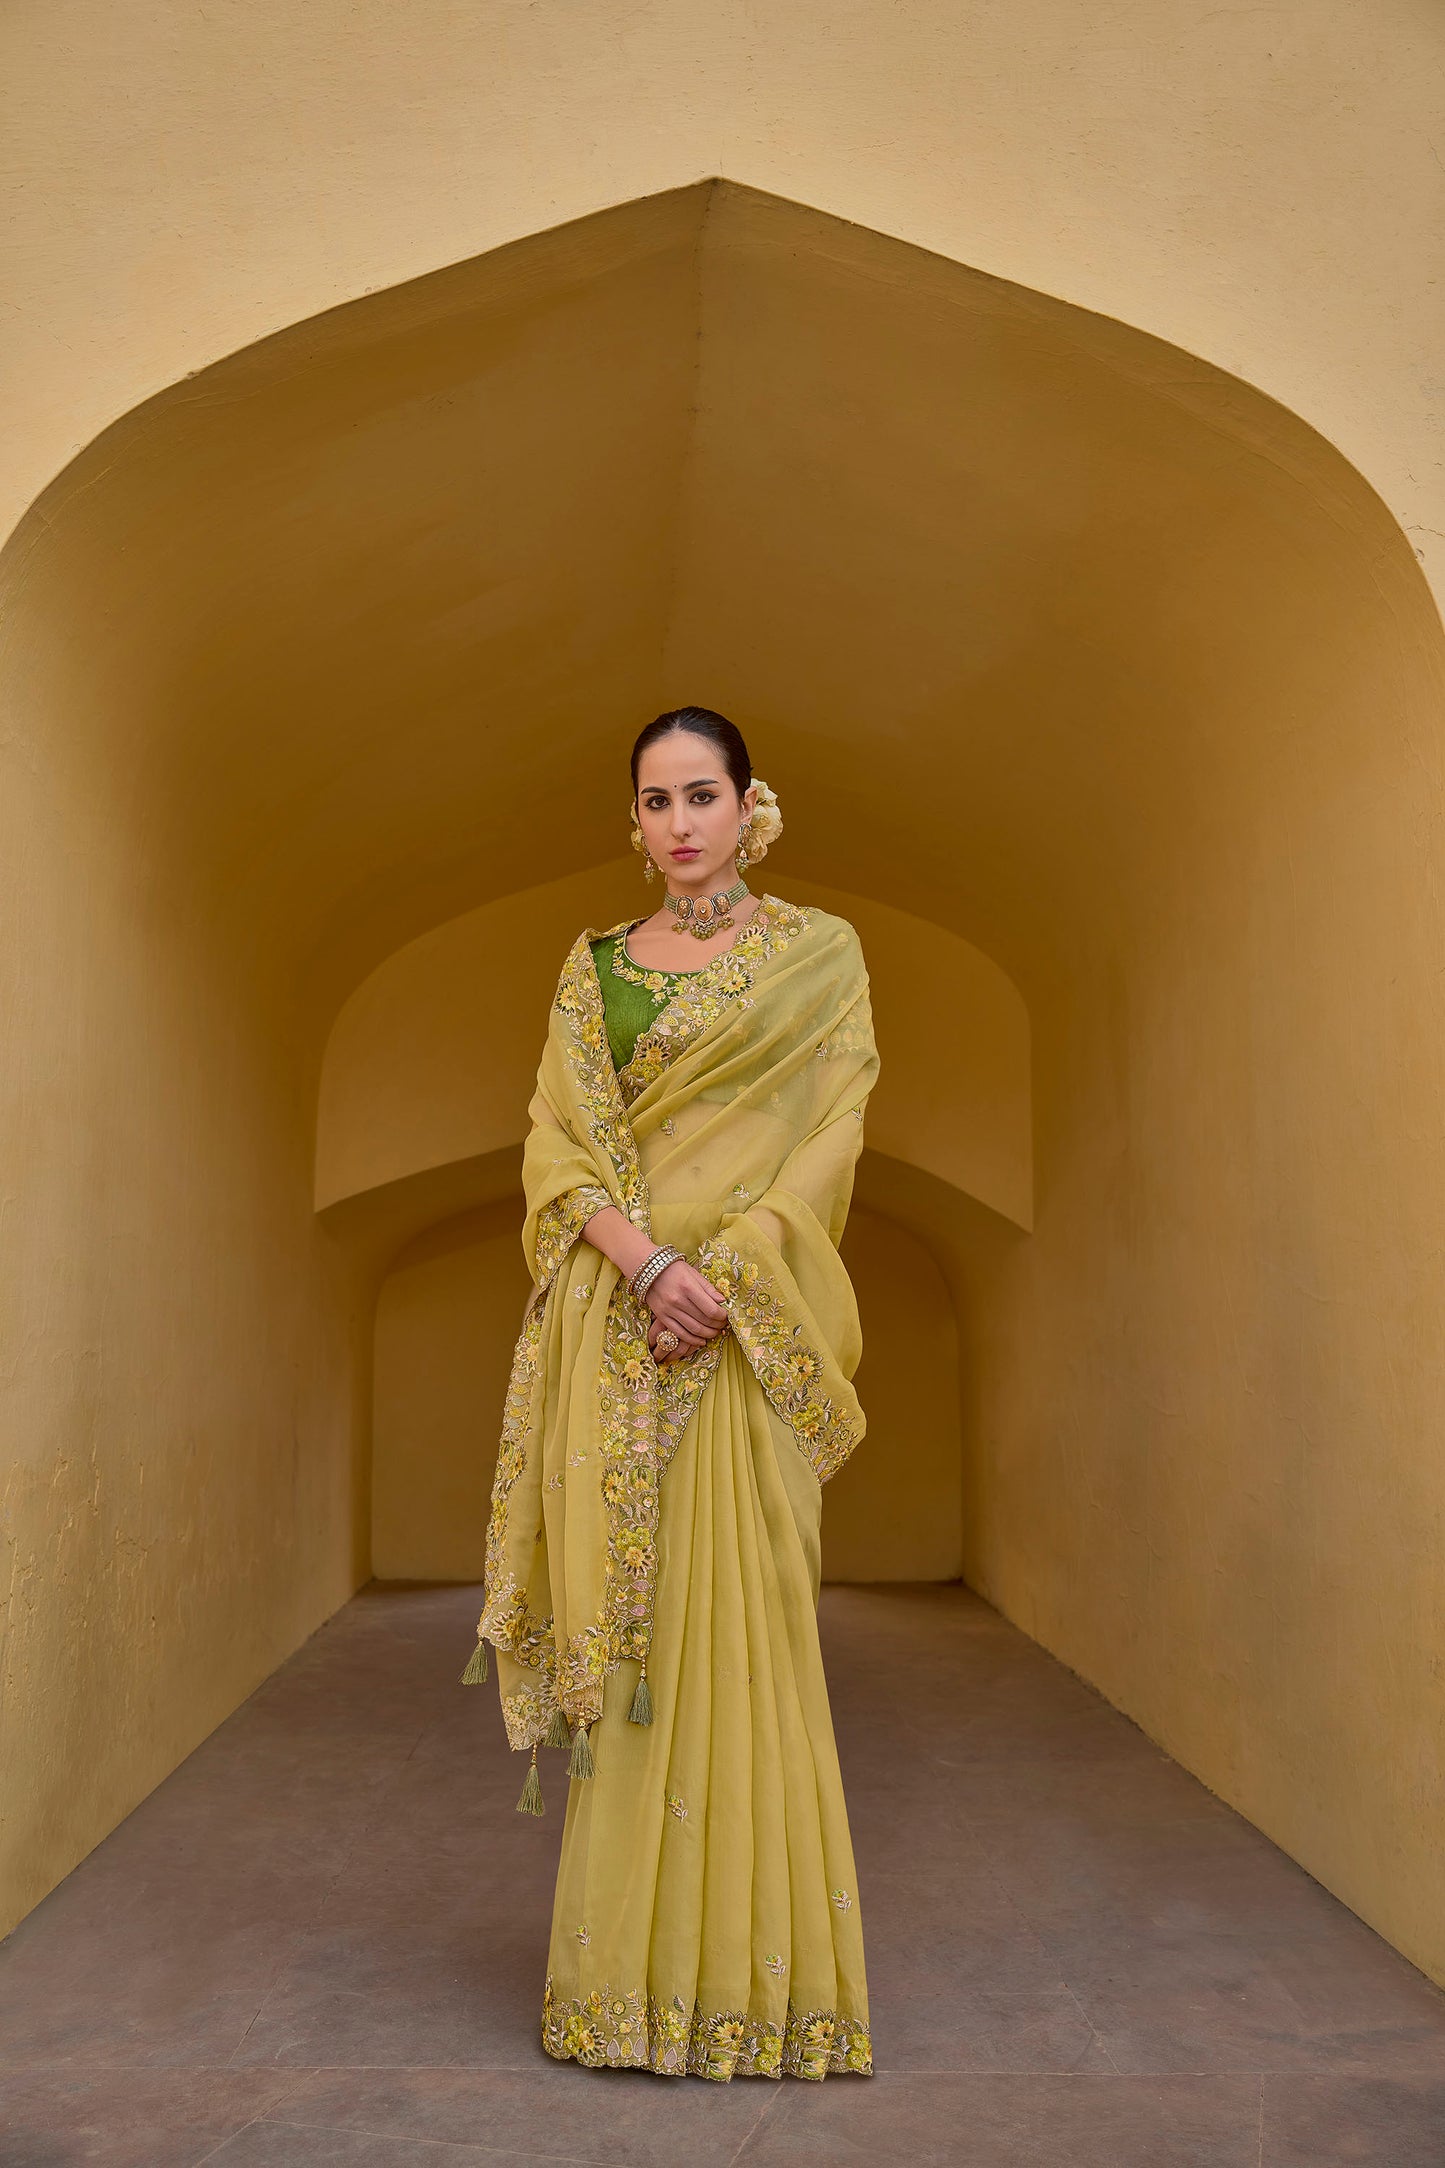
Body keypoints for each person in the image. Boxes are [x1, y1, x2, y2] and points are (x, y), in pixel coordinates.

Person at [461, 705, 878, 2083]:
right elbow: (556, 1152)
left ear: (751, 804)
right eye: (656, 801)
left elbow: (832, 1132)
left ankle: (761, 1997)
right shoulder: (593, 972)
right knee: (634, 1655)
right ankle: (620, 1993)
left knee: (750, 1641)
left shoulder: (819, 957)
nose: (681, 822)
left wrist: (733, 1273)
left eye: (702, 794)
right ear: (634, 823)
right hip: (621, 1332)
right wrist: (648, 1269)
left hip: (745, 1336)